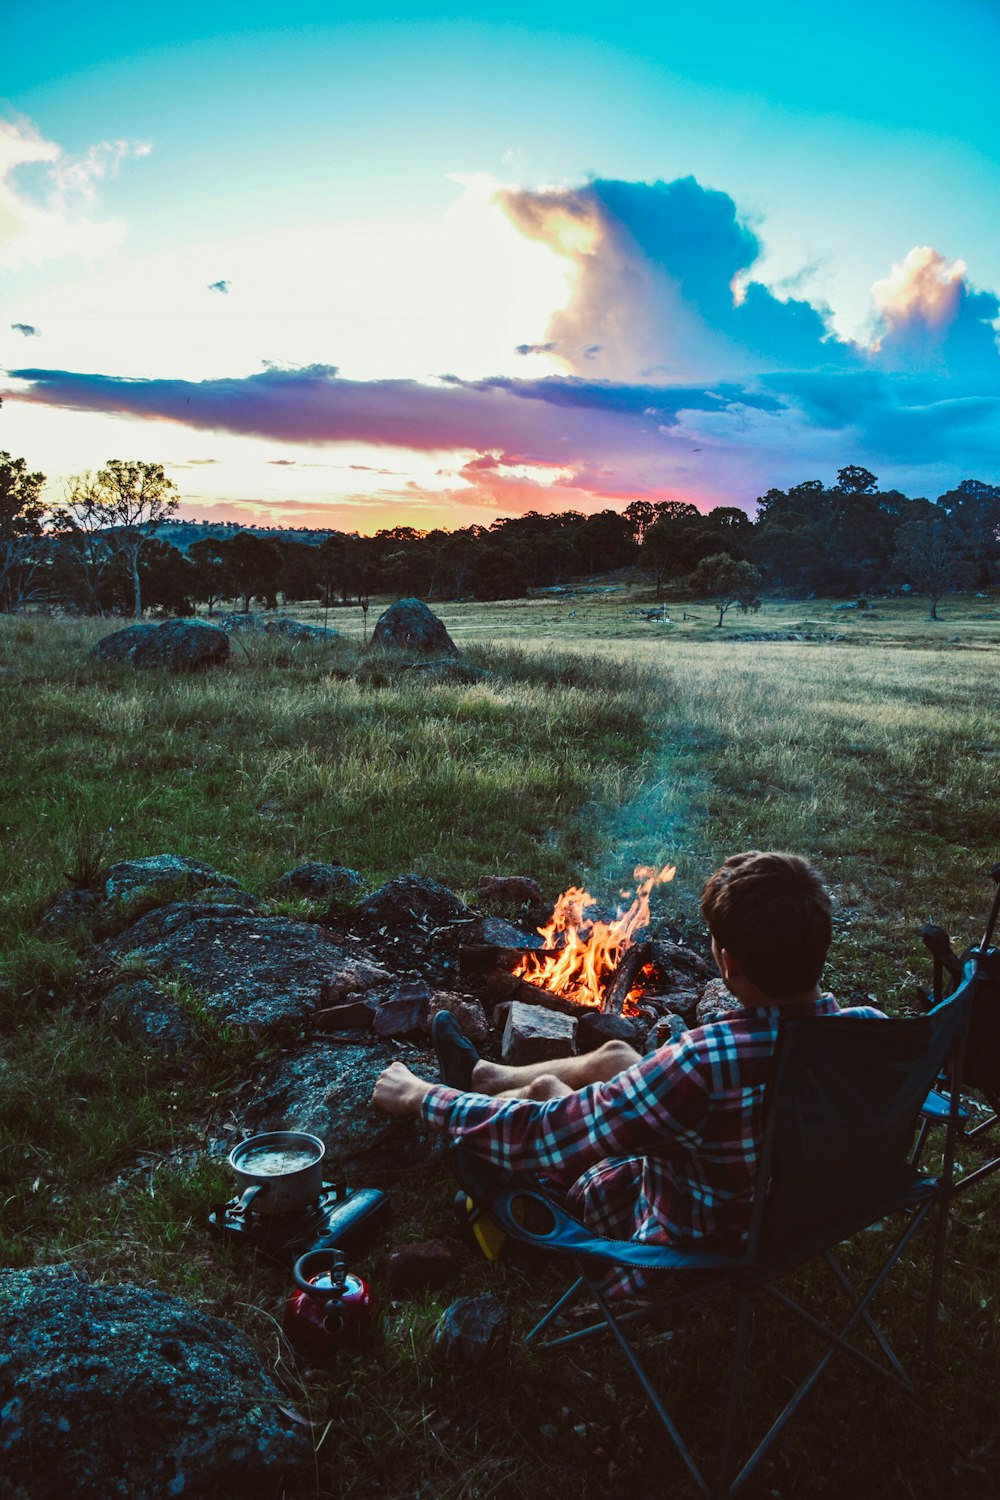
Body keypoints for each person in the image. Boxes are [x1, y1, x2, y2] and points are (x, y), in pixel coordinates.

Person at [370, 851, 885, 1297]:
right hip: (790, 1206)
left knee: (548, 1094)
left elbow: (547, 1134)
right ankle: (484, 1074)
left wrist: (420, 1096)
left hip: (695, 1235)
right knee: (616, 1054)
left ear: (728, 964)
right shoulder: (871, 1035)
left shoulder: (704, 1062)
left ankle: (476, 1090)